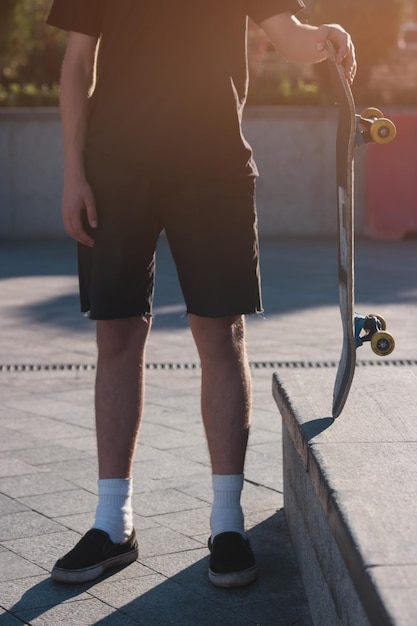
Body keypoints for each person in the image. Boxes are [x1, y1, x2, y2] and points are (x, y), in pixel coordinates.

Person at [46, 0, 356, 588]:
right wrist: (72, 171)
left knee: (219, 332)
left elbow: (287, 34)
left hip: (213, 165)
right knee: (116, 332)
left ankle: (227, 524)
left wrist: (325, 35)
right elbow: (78, 59)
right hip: (114, 168)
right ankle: (113, 525)